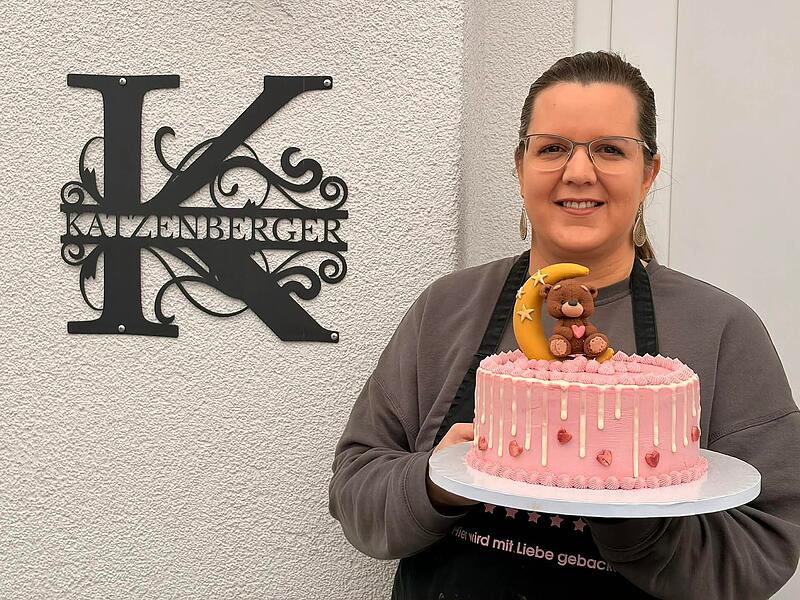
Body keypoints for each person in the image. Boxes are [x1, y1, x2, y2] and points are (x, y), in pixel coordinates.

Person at [329, 51, 800, 599]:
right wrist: (435, 483)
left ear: (649, 172)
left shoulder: (722, 329)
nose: (578, 172)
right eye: (551, 148)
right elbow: (356, 488)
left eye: (610, 149)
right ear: (520, 167)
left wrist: (636, 517)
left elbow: (766, 542)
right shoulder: (446, 308)